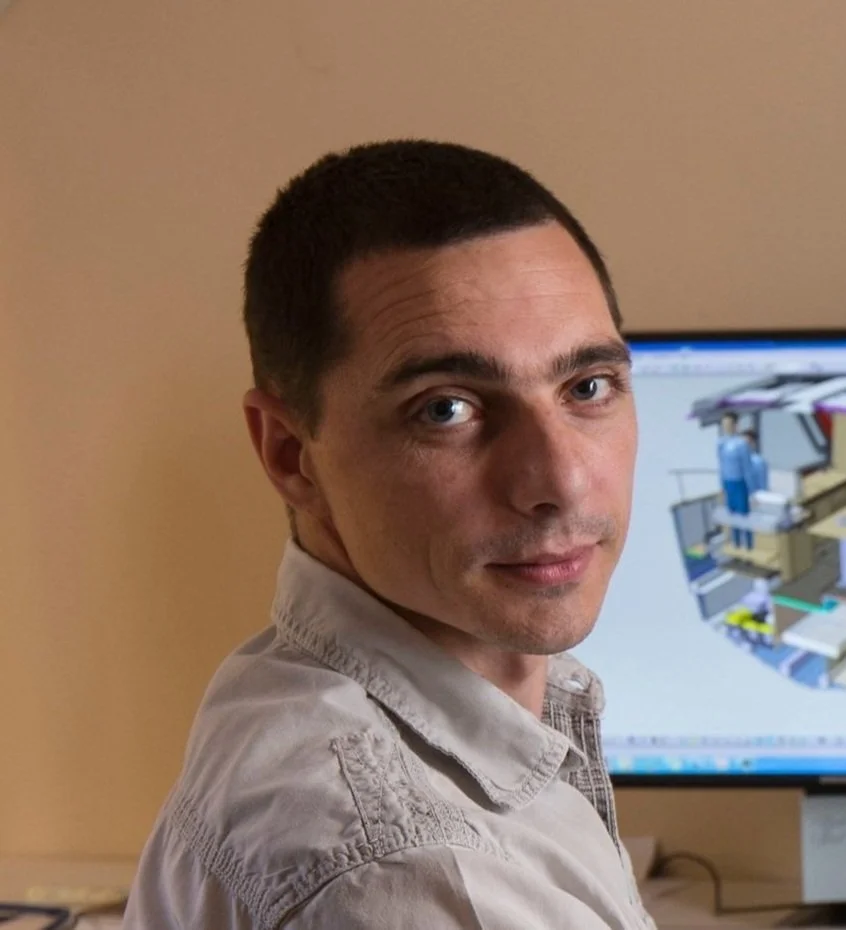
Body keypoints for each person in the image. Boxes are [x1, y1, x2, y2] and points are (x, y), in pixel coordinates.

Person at [123, 140, 652, 929]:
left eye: (587, 386)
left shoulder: (289, 690)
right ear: (291, 453)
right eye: (447, 408)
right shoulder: (408, 871)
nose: (560, 483)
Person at [717, 412, 754, 548]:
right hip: (728, 483)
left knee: (744, 516)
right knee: (732, 516)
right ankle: (736, 545)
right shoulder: (720, 443)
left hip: (740, 483)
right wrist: (721, 487)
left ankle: (749, 546)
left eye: (729, 424)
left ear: (735, 425)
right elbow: (721, 465)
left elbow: (747, 467)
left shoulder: (741, 444)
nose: (726, 427)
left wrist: (751, 491)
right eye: (724, 424)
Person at [742, 429, 769, 493]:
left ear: (753, 443)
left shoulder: (758, 462)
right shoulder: (736, 461)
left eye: (747, 443)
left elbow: (762, 486)